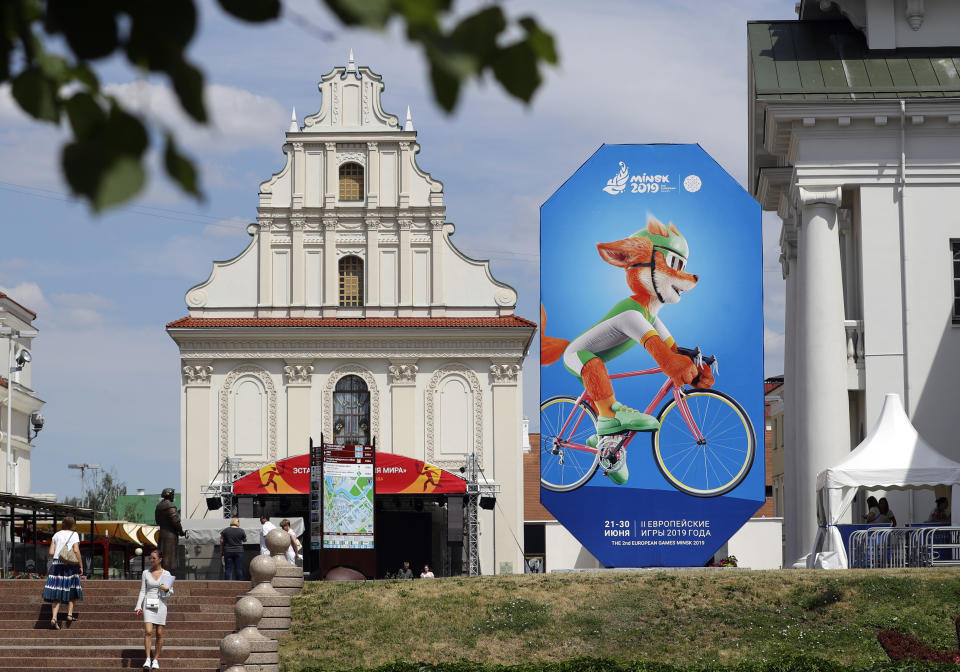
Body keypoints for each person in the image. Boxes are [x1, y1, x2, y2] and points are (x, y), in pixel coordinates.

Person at [135, 549, 175, 669]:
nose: (151, 560)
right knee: (148, 631)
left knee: (159, 633)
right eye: (150, 558)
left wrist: (166, 589)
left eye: (153, 558)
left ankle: (155, 659)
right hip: (148, 603)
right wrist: (138, 605)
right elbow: (143, 590)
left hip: (161, 604)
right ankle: (147, 658)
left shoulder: (166, 574)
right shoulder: (145, 573)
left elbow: (171, 592)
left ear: (160, 559)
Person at [42, 517, 83, 629]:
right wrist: (81, 565)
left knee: (56, 592)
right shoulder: (74, 534)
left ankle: (54, 618)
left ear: (63, 524)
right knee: (72, 589)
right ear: (73, 525)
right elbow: (76, 550)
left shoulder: (56, 535)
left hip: (56, 565)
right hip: (70, 565)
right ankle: (69, 614)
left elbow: (51, 552)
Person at [154, 488, 186, 573]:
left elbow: (157, 521)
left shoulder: (159, 506)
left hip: (162, 534)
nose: (173, 497)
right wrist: (181, 532)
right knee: (170, 557)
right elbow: (176, 521)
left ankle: (162, 573)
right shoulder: (170, 506)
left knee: (162, 555)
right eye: (173, 495)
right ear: (170, 495)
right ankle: (168, 576)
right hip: (170, 535)